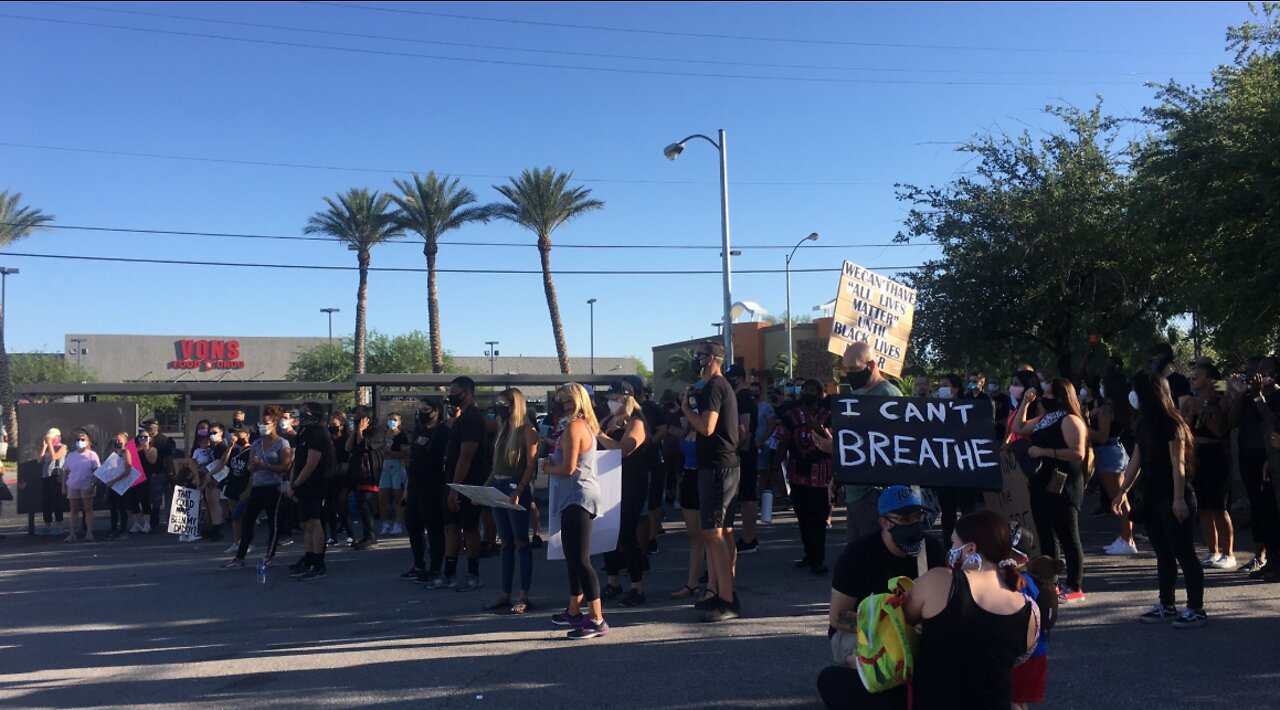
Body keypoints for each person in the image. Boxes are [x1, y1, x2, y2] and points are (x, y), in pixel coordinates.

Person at [817, 486, 945, 710]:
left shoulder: (932, 550)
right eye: (905, 518)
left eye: (918, 517)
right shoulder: (857, 556)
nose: (914, 524)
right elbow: (837, 618)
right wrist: (894, 627)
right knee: (888, 667)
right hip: (864, 634)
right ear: (884, 522)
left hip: (920, 632)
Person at [902, 510, 1039, 710]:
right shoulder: (1029, 611)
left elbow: (902, 618)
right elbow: (1011, 660)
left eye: (954, 544)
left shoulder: (939, 581)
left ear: (970, 549)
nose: (951, 550)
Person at [1112, 371, 1208, 627]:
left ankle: (1196, 607)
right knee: (1163, 553)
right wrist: (1122, 492)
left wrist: (1178, 499)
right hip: (1152, 495)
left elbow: (1179, 465)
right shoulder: (1143, 424)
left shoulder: (1172, 424)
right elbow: (1136, 460)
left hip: (1173, 494)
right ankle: (1166, 603)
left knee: (1184, 552)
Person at [680, 340, 741, 623]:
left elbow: (707, 427)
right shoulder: (717, 387)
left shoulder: (714, 387)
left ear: (714, 358)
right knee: (723, 531)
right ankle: (719, 589)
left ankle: (726, 599)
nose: (696, 360)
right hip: (721, 465)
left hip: (717, 466)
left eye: (700, 356)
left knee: (714, 532)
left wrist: (687, 411)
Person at [1014, 377, 1088, 604]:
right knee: (1046, 534)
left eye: (1047, 394)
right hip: (1041, 483)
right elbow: (1018, 428)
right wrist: (1025, 404)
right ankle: (1050, 582)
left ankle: (1075, 585)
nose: (1043, 397)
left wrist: (1046, 451)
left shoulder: (1070, 420)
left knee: (1068, 535)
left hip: (1063, 484)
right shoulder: (1045, 419)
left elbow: (1078, 453)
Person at [545, 383, 610, 639]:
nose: (557, 403)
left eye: (561, 399)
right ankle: (574, 610)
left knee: (581, 560)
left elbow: (569, 468)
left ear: (573, 402)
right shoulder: (576, 425)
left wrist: (548, 469)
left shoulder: (574, 426)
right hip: (573, 496)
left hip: (578, 496)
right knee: (572, 558)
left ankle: (597, 618)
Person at [477, 388, 540, 613]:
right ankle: (505, 594)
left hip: (515, 487)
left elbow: (531, 465)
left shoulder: (527, 430)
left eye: (505, 404)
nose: (500, 408)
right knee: (505, 543)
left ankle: (523, 595)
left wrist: (520, 490)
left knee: (521, 542)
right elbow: (497, 466)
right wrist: (484, 489)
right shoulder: (503, 430)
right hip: (499, 485)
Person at [431, 376, 489, 592]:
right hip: (453, 481)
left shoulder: (473, 419)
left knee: (470, 528)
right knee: (451, 527)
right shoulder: (462, 418)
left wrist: (455, 489)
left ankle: (473, 575)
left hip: (468, 483)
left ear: (466, 393)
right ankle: (449, 573)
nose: (451, 395)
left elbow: (466, 457)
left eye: (454, 391)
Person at [841, 341, 903, 542]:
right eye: (847, 369)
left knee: (873, 552)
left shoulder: (889, 394)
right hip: (855, 489)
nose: (849, 374)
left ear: (872, 365)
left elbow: (891, 444)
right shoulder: (856, 393)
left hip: (875, 492)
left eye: (854, 369)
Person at [773, 378, 834, 575]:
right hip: (798, 473)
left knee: (818, 518)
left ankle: (818, 558)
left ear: (820, 393)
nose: (808, 392)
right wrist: (775, 466)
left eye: (812, 390)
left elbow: (834, 442)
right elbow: (782, 442)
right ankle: (808, 554)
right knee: (803, 517)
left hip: (822, 475)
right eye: (805, 389)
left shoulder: (829, 416)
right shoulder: (791, 415)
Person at [598, 380, 651, 607]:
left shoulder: (636, 422)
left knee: (626, 534)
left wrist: (599, 434)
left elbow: (624, 450)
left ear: (625, 398)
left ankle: (637, 587)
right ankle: (613, 582)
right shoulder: (608, 420)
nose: (610, 402)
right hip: (607, 482)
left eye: (614, 397)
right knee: (606, 534)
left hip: (631, 483)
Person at [1228, 357, 1280, 580]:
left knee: (1272, 512)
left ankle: (1273, 560)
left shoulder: (1277, 396)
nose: (1258, 375)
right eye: (1255, 371)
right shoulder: (1250, 396)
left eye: (1264, 371)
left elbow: (1270, 420)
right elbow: (1232, 422)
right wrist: (1240, 394)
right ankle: (1267, 559)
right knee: (1260, 513)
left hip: (1270, 459)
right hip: (1253, 458)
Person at [222, 406, 293, 569]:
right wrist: (253, 467)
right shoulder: (257, 442)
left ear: (274, 424)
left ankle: (270, 555)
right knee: (247, 521)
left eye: (267, 423)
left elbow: (285, 466)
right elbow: (249, 467)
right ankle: (239, 557)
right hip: (257, 486)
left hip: (273, 487)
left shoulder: (282, 443)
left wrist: (265, 465)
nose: (263, 426)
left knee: (272, 522)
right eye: (262, 423)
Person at [1183, 362, 1235, 569]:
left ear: (1211, 380)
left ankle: (1228, 553)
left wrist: (1205, 409)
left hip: (1217, 454)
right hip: (1198, 455)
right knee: (1203, 507)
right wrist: (1190, 412)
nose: (1194, 378)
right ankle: (1212, 550)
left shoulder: (1222, 401)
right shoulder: (1190, 401)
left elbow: (1220, 431)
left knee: (1218, 506)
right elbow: (1184, 427)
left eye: (1199, 375)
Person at [284, 402, 336, 580]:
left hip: (313, 484)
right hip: (300, 484)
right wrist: (291, 483)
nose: (302, 415)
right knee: (305, 524)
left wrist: (296, 484)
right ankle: (308, 557)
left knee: (315, 522)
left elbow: (311, 463)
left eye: (306, 412)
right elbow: (297, 460)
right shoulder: (303, 433)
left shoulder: (317, 433)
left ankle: (318, 562)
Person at [404, 398, 450, 583]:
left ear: (436, 411)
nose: (421, 413)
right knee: (412, 524)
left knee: (433, 527)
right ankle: (418, 564)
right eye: (420, 409)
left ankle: (435, 568)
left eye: (425, 409)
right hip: (415, 484)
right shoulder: (420, 431)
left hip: (432, 486)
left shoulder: (442, 431)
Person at [1092, 369, 1137, 555]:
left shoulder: (1106, 409)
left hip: (1109, 452)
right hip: (1116, 450)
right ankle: (1125, 537)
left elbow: (1102, 436)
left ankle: (1128, 538)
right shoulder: (1121, 406)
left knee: (1119, 499)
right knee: (1120, 498)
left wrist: (1082, 427)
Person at [725, 366, 762, 555]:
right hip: (744, 451)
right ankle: (748, 537)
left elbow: (744, 429)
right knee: (745, 496)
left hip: (745, 452)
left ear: (738, 379)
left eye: (731, 378)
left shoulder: (744, 398)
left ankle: (749, 538)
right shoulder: (743, 397)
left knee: (747, 496)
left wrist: (736, 447)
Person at [669, 417, 707, 601]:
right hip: (689, 478)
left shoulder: (708, 428)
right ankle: (692, 582)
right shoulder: (689, 427)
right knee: (694, 536)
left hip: (705, 477)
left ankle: (715, 581)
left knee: (710, 535)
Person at [345, 405, 384, 550]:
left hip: (369, 472)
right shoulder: (357, 430)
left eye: (358, 415)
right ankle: (366, 535)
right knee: (361, 504)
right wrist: (355, 431)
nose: (355, 418)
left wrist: (361, 431)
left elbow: (366, 446)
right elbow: (348, 448)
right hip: (357, 471)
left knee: (365, 504)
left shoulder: (377, 431)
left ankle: (370, 536)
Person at [61, 430, 101, 542]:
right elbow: (66, 472)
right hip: (73, 485)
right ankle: (72, 533)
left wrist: (93, 484)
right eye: (78, 440)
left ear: (88, 442)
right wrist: (63, 486)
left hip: (87, 485)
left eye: (83, 440)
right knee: (73, 510)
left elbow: (97, 471)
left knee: (88, 509)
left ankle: (89, 532)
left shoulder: (92, 455)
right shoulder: (71, 456)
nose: (80, 442)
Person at [104, 432, 141, 540]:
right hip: (112, 485)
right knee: (113, 508)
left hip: (122, 484)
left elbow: (127, 470)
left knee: (122, 508)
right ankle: (113, 529)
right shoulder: (113, 453)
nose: (117, 442)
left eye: (119, 440)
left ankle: (123, 530)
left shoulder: (126, 452)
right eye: (116, 440)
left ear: (125, 441)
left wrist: (114, 480)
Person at [379, 412, 410, 537]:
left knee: (398, 496)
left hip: (397, 466)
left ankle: (397, 524)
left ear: (399, 422)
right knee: (382, 497)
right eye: (390, 419)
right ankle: (385, 523)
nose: (392, 422)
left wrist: (391, 452)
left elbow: (405, 453)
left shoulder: (402, 436)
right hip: (384, 467)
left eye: (395, 420)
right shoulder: (383, 435)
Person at [141, 419, 176, 531]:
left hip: (159, 472)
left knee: (156, 498)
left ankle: (155, 518)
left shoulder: (164, 440)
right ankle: (148, 518)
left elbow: (169, 458)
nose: (150, 427)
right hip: (144, 472)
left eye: (152, 425)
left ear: (158, 426)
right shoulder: (141, 438)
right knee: (145, 497)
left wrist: (170, 473)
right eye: (148, 426)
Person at [324, 412, 351, 546]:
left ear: (341, 426)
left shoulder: (345, 439)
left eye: (334, 425)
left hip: (341, 475)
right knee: (329, 508)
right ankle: (333, 536)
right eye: (330, 425)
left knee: (341, 507)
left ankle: (350, 535)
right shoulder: (328, 440)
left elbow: (345, 455)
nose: (331, 427)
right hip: (330, 475)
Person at [39, 428, 67, 536]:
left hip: (56, 477)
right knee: (46, 501)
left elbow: (55, 457)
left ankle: (59, 525)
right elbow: (39, 460)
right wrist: (44, 446)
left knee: (57, 501)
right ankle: (47, 524)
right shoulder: (47, 448)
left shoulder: (63, 447)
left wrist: (50, 444)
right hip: (46, 477)